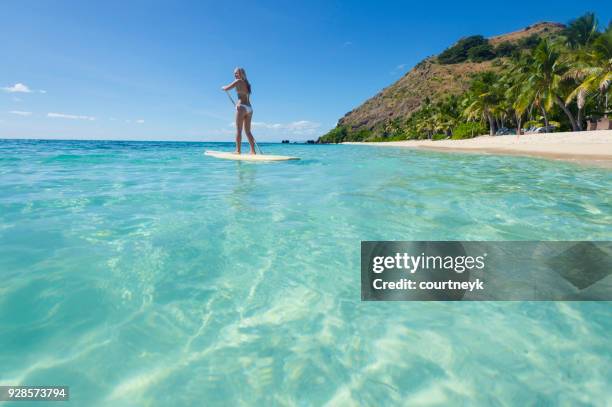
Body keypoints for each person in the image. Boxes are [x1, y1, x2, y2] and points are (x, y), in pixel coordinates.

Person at [222, 68, 256, 154]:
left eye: (236, 73)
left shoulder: (237, 81)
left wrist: (223, 87)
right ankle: (253, 151)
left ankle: (238, 151)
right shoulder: (248, 84)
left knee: (238, 130)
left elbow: (226, 88)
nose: (235, 75)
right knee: (248, 131)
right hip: (250, 109)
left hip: (242, 108)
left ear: (241, 73)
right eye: (234, 73)